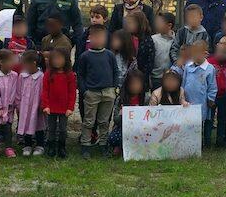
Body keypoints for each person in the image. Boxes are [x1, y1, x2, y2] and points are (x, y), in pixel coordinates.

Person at [75, 24, 120, 159]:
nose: (99, 40)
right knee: (89, 121)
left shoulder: (109, 55)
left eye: (102, 37)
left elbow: (115, 71)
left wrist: (114, 87)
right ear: (90, 38)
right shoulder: (85, 56)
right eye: (96, 37)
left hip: (108, 92)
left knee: (104, 121)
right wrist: (85, 91)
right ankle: (85, 146)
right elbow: (80, 74)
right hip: (92, 93)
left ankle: (103, 145)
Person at [177, 40, 217, 148]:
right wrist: (182, 96)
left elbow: (212, 86)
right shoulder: (188, 67)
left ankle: (205, 142)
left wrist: (211, 98)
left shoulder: (209, 69)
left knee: (204, 121)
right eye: (192, 53)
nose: (194, 56)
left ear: (205, 54)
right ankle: (190, 141)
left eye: (196, 53)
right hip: (188, 100)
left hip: (202, 101)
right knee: (190, 121)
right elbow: (184, 82)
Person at [41, 47, 77, 158]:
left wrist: (70, 107)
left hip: (64, 108)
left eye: (59, 59)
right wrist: (46, 105)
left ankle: (62, 147)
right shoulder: (48, 74)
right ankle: (51, 147)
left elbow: (72, 93)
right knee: (51, 128)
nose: (57, 61)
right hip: (51, 107)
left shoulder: (70, 75)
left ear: (66, 60)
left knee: (62, 129)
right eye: (55, 59)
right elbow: (45, 91)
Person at [107, 70, 148, 156]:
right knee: (112, 138)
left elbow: (150, 118)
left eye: (138, 84)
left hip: (141, 128)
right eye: (133, 84)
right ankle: (120, 147)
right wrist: (122, 115)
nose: (135, 86)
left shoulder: (146, 99)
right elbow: (116, 120)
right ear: (127, 84)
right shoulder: (121, 99)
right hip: (124, 128)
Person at [0, 49, 21, 158]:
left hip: (9, 107)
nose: (13, 63)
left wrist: (10, 104)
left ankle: (8, 147)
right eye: (10, 61)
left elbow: (14, 90)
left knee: (8, 127)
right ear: (2, 62)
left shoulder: (14, 75)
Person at [15, 51, 46, 156]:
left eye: (25, 63)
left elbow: (43, 92)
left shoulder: (41, 77)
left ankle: (40, 145)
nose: (23, 66)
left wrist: (42, 105)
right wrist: (19, 105)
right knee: (26, 124)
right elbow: (18, 91)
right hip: (25, 106)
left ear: (33, 63)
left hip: (36, 106)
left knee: (38, 125)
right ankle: (27, 145)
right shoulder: (22, 76)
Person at [209, 36, 226, 146]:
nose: (220, 54)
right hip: (212, 95)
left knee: (223, 118)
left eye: (224, 52)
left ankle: (221, 139)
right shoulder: (209, 62)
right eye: (218, 51)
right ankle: (207, 139)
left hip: (225, 96)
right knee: (209, 119)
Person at [124, 10, 155, 84]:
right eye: (127, 23)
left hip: (141, 79)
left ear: (139, 23)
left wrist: (142, 77)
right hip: (126, 78)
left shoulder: (147, 40)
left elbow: (149, 62)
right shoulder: (125, 38)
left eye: (131, 23)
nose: (128, 25)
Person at [150, 12, 176, 89]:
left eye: (160, 23)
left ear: (169, 25)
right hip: (156, 78)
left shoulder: (177, 40)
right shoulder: (153, 39)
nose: (157, 25)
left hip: (172, 77)